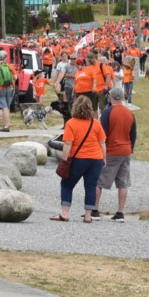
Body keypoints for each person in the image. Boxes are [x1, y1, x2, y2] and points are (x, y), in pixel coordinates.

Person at [50, 96, 107, 224]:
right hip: (96, 159)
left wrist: (64, 160)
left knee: (67, 184)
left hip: (78, 159)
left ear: (75, 107)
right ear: (90, 108)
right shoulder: (96, 123)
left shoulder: (71, 123)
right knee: (91, 187)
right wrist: (104, 158)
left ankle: (65, 214)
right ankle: (88, 216)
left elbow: (68, 144)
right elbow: (102, 143)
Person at [93, 86, 137, 222]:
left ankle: (94, 210)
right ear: (122, 97)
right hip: (126, 150)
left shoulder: (107, 112)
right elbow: (133, 134)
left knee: (99, 181)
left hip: (111, 150)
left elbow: (102, 134)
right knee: (123, 182)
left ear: (110, 97)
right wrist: (131, 148)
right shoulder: (130, 113)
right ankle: (120, 213)